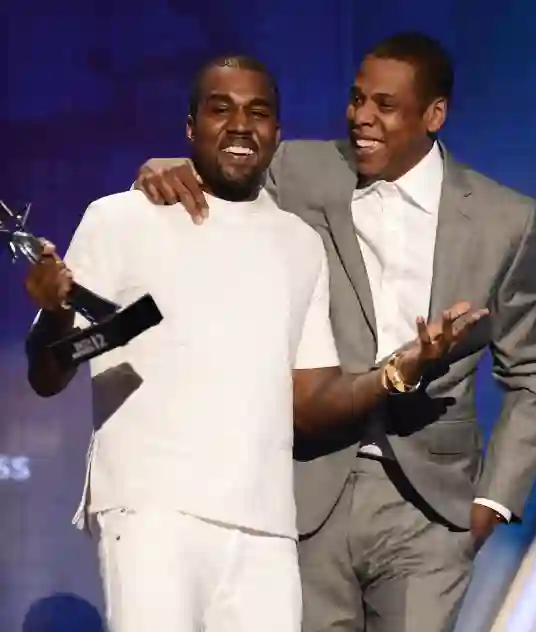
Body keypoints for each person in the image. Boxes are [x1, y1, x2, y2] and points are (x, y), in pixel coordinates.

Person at [23, 55, 484, 632]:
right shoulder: (120, 220)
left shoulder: (298, 244)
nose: (241, 126)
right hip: (152, 509)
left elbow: (310, 402)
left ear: (277, 133)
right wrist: (55, 313)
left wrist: (402, 366)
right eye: (221, 110)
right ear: (190, 126)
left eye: (258, 113)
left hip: (266, 527)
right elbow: (50, 373)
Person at [133, 33, 536, 632]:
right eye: (357, 99)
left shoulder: (504, 220)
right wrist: (157, 171)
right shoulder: (302, 169)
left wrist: (493, 501)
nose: (361, 117)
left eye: (384, 105)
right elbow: (214, 168)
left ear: (434, 115)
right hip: (310, 485)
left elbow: (532, 371)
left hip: (431, 505)